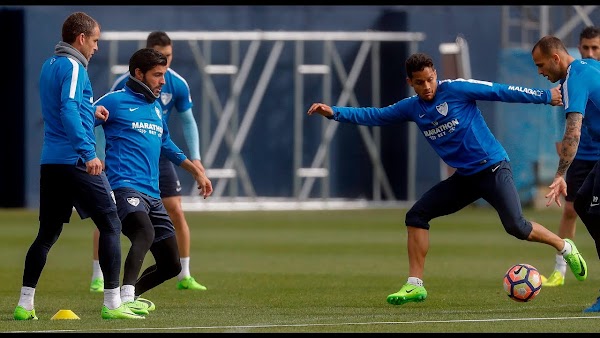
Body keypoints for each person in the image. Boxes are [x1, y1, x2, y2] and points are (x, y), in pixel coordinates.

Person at [306, 52, 588, 306]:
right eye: (420, 82)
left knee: (516, 226)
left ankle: (565, 246)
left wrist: (543, 96)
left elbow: (500, 91)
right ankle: (415, 285)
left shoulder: (456, 89)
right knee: (417, 215)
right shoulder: (411, 107)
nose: (427, 87)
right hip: (465, 178)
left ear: (435, 75)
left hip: (492, 168)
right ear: (411, 83)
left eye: (430, 79)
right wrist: (334, 112)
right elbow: (375, 115)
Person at [13, 12, 143, 320]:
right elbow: (68, 109)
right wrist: (88, 152)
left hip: (52, 163)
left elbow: (66, 108)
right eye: (95, 40)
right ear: (81, 38)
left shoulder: (50, 65)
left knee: (47, 234)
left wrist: (90, 110)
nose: (97, 47)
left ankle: (24, 304)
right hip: (75, 160)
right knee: (111, 223)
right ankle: (113, 304)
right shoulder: (74, 67)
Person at [93, 48, 213, 315]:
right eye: (157, 75)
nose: (162, 81)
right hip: (124, 186)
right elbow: (80, 120)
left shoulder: (156, 108)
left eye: (164, 75)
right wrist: (88, 156)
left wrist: (196, 171)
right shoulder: (113, 101)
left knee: (172, 264)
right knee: (143, 233)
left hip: (153, 194)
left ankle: (132, 295)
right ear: (139, 73)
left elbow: (166, 144)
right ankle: (121, 300)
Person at [532, 35, 600, 312]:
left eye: (541, 65)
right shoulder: (585, 68)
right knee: (583, 203)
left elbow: (574, 130)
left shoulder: (574, 78)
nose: (540, 71)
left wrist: (560, 174)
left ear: (556, 58)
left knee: (594, 210)